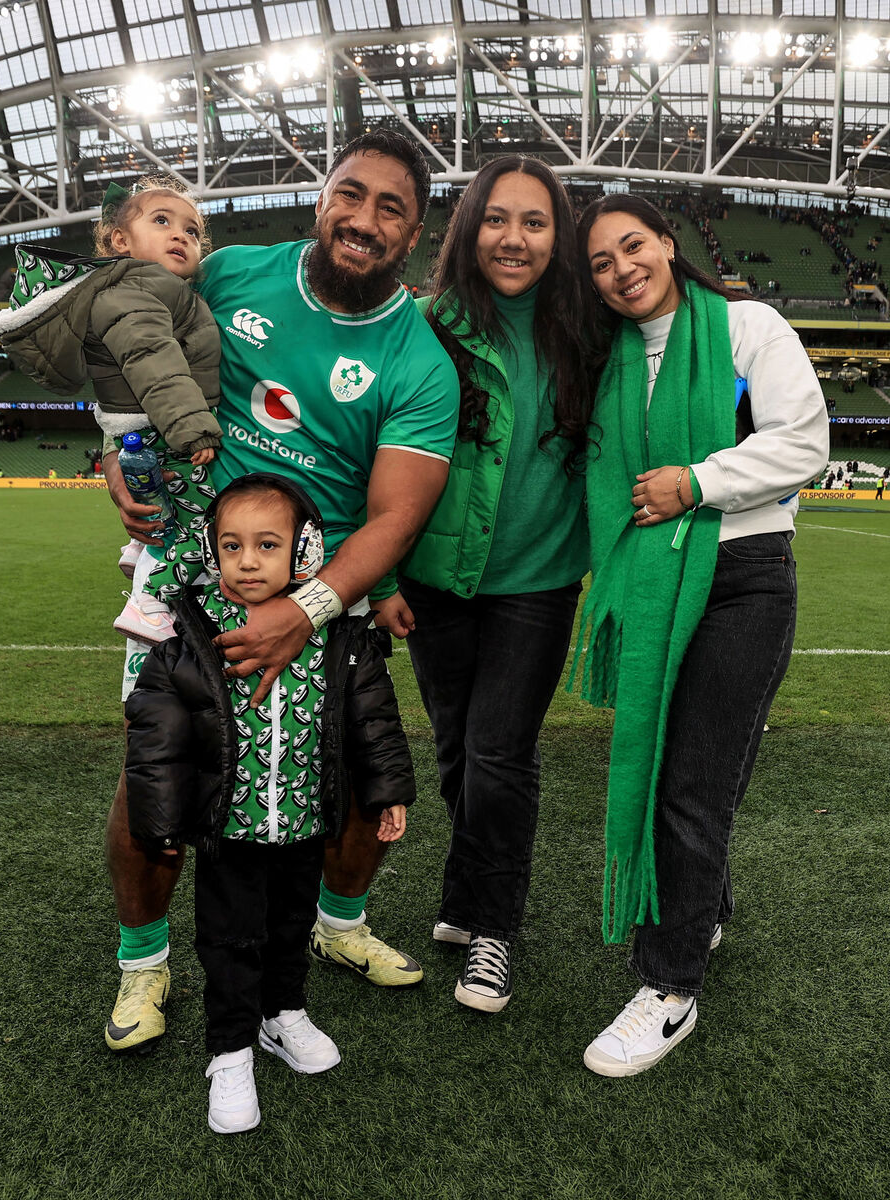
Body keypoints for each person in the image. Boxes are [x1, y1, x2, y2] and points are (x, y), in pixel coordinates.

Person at [101, 130, 459, 1053]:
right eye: (351, 193)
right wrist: (115, 446)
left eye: (390, 208)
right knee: (155, 773)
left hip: (326, 594)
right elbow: (128, 349)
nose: (364, 218)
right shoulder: (226, 277)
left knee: (351, 781)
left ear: (413, 235)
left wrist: (305, 609)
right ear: (320, 198)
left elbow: (393, 519)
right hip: (190, 574)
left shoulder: (419, 361)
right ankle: (143, 964)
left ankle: (335, 927)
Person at [574, 194, 828, 1076]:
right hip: (652, 582)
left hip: (742, 576)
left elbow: (802, 443)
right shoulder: (607, 358)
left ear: (667, 245)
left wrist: (695, 479)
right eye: (600, 263)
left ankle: (668, 988)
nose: (620, 270)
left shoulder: (746, 325)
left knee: (691, 781)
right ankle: (703, 909)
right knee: (685, 773)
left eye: (631, 246)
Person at [124, 473, 414, 1133]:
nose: (248, 561)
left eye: (265, 544)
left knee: (288, 929)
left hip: (307, 824)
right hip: (230, 830)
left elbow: (374, 722)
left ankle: (282, 1015)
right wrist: (159, 820)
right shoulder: (188, 636)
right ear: (211, 551)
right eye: (231, 546)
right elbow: (156, 739)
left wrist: (387, 791)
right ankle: (228, 1051)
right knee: (231, 939)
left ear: (303, 552)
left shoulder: (339, 636)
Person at [375, 156, 596, 1011]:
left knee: (500, 752)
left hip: (537, 580)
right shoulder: (421, 325)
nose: (514, 238)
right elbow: (375, 453)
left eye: (535, 222)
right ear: (468, 229)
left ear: (558, 236)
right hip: (434, 580)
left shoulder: (586, 330)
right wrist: (385, 571)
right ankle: (470, 898)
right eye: (496, 218)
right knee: (458, 749)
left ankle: (493, 928)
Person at [0, 176, 222, 642]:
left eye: (192, 231)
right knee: (206, 529)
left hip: (142, 426)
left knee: (166, 504)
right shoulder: (135, 291)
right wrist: (193, 428)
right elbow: (153, 361)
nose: (181, 235)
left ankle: (139, 546)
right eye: (162, 221)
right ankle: (148, 601)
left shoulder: (144, 289)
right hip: (166, 428)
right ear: (119, 241)